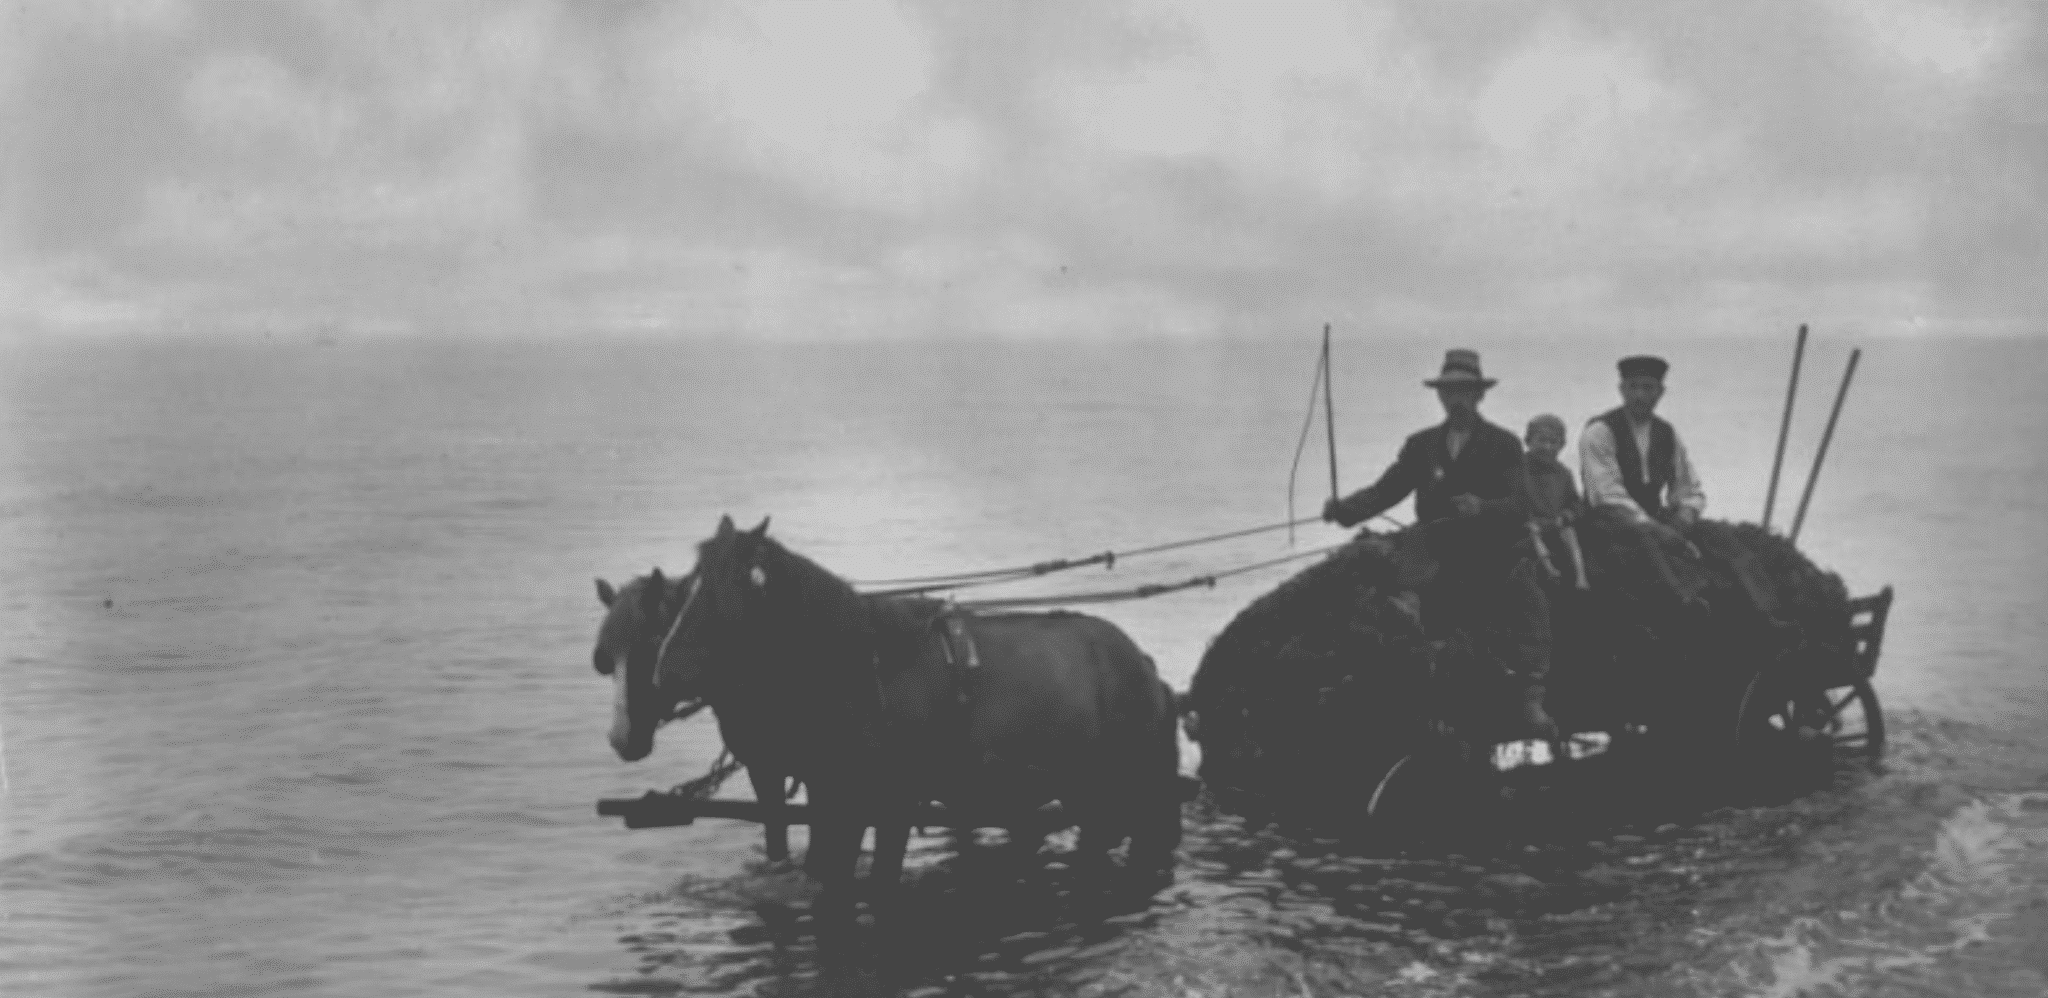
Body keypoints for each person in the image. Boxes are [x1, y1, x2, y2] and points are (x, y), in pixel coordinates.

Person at [1322, 349, 1554, 738]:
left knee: (1526, 596)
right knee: (1389, 595)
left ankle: (1531, 695)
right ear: (1439, 397)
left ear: (1479, 395)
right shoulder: (1421, 445)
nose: (1457, 400)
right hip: (1433, 546)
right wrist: (1344, 510)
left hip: (1488, 547)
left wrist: (1482, 507)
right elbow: (1385, 491)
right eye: (1449, 393)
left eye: (1464, 392)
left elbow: (1519, 504)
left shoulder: (1504, 444)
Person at [1580, 355, 1771, 620]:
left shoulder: (1666, 433)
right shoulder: (1601, 430)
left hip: (1653, 514)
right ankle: (1687, 601)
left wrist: (1685, 513)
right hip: (1609, 519)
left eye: (1648, 388)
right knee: (1649, 542)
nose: (1640, 395)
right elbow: (1605, 492)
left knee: (1717, 535)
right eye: (1633, 387)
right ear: (1622, 390)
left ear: (1660, 393)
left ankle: (1767, 611)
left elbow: (1687, 485)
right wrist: (1655, 528)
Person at [1517, 414, 1588, 590]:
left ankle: (1581, 578)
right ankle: (1549, 570)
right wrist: (1527, 519)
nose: (1547, 447)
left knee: (1572, 534)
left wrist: (1566, 516)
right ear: (1528, 441)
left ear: (1561, 445)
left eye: (1553, 442)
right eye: (1541, 440)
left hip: (1556, 526)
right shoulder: (1516, 469)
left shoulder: (1563, 473)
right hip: (1528, 528)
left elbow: (1575, 503)